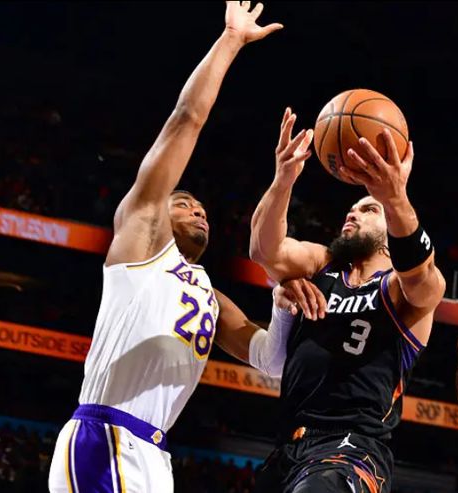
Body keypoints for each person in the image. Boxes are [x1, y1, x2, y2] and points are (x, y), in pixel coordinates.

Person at [47, 3, 321, 492]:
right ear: (158, 212)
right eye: (184, 203)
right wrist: (231, 40)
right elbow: (186, 120)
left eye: (202, 208)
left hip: (154, 453)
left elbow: (272, 361)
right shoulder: (141, 240)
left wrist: (281, 305)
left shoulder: (208, 295)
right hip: (107, 436)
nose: (198, 211)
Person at [249, 108, 446, 492]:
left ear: (391, 232)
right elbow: (263, 250)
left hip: (353, 447)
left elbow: (423, 280)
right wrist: (283, 179)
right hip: (288, 446)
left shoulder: (398, 290)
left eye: (368, 209)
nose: (352, 215)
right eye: (350, 211)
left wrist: (395, 199)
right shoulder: (323, 264)